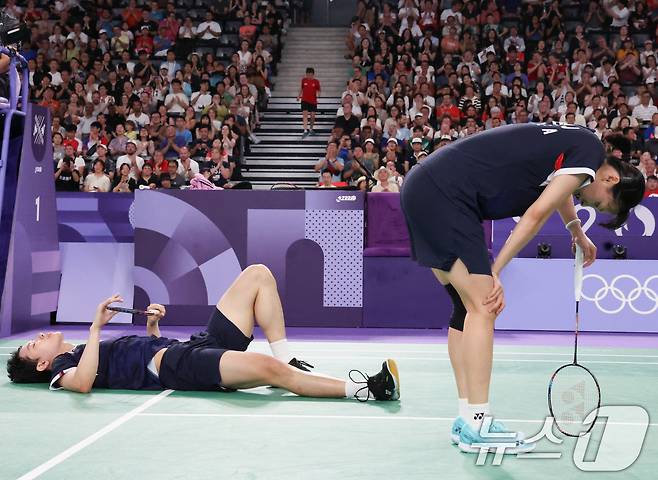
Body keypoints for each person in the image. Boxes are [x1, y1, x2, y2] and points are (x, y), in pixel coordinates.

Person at [400, 123, 645, 454]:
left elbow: (558, 191)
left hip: (426, 187)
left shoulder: (582, 148)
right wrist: (496, 270)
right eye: (602, 205)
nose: (595, 207)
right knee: (485, 305)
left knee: (466, 307)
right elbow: (535, 215)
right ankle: (479, 422)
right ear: (610, 180)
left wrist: (576, 230)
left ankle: (467, 418)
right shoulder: (589, 155)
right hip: (447, 194)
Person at [6, 265, 400, 403]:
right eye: (33, 345)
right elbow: (84, 383)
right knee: (266, 371)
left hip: (188, 347)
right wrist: (94, 328)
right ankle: (367, 388)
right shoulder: (65, 364)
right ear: (42, 362)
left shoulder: (80, 352)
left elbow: (135, 354)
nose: (40, 336)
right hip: (180, 366)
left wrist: (151, 327)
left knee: (257, 275)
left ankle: (288, 357)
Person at [297, 67, 321, 138]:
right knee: (305, 115)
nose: (309, 76)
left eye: (310, 75)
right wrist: (298, 96)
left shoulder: (316, 81)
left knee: (313, 116)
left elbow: (319, 89)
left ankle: (311, 129)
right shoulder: (303, 80)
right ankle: (305, 130)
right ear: (306, 74)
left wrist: (319, 94)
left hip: (313, 101)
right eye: (308, 75)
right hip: (304, 100)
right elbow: (301, 88)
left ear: (313, 75)